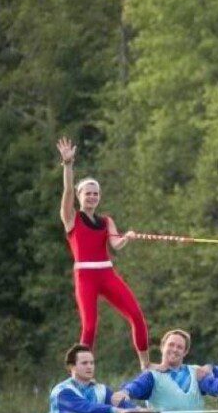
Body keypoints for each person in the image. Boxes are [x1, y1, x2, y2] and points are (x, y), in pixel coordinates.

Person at [57, 137, 151, 369]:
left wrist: (126, 237)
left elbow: (116, 244)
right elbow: (68, 190)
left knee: (137, 316)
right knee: (90, 327)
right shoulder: (72, 219)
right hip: (85, 276)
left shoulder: (106, 220)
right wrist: (68, 165)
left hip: (106, 273)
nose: (91, 197)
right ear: (80, 197)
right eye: (87, 193)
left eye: (95, 194)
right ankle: (79, 371)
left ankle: (146, 366)